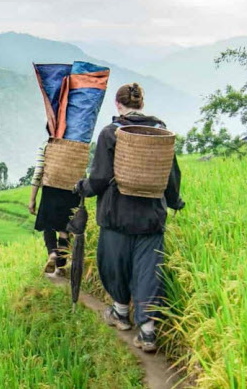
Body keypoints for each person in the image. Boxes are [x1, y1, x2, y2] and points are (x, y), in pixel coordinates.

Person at [75, 82, 185, 353]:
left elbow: (99, 178)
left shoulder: (111, 133)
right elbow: (170, 175)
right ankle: (147, 332)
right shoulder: (160, 133)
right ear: (141, 104)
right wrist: (175, 202)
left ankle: (120, 313)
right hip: (151, 218)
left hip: (117, 216)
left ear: (117, 104)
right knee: (148, 272)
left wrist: (82, 188)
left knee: (115, 266)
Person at [28, 140, 81, 276]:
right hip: (71, 190)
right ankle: (61, 266)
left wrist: (32, 199)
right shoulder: (77, 146)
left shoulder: (47, 144)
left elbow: (38, 171)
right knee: (64, 229)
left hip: (51, 189)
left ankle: (52, 253)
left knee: (48, 225)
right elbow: (82, 171)